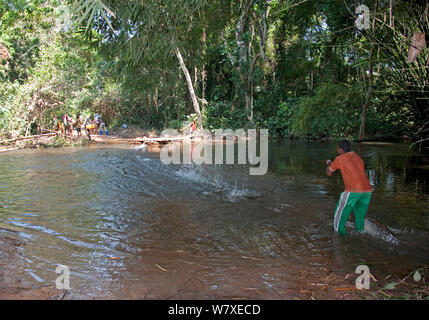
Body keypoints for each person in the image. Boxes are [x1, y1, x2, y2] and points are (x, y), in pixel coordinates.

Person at [326, 139, 372, 236]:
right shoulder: (358, 158)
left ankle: (337, 237)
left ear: (340, 149)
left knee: (339, 215)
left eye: (337, 148)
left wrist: (329, 164)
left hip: (353, 190)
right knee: (359, 216)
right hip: (367, 190)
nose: (337, 150)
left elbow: (329, 173)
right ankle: (360, 234)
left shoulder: (339, 158)